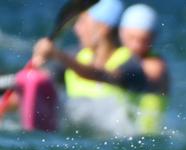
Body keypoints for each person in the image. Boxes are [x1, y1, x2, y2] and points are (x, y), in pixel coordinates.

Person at [31, 0, 150, 135]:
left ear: (103, 28)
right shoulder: (75, 55)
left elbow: (100, 75)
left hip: (116, 142)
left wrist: (57, 54)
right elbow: (41, 81)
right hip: (73, 135)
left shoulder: (131, 64)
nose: (77, 29)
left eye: (82, 22)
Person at [119, 4, 169, 134]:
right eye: (132, 38)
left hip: (148, 138)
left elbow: (133, 74)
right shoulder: (118, 57)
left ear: (154, 38)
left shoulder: (156, 65)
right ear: (121, 33)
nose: (137, 45)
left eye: (144, 40)